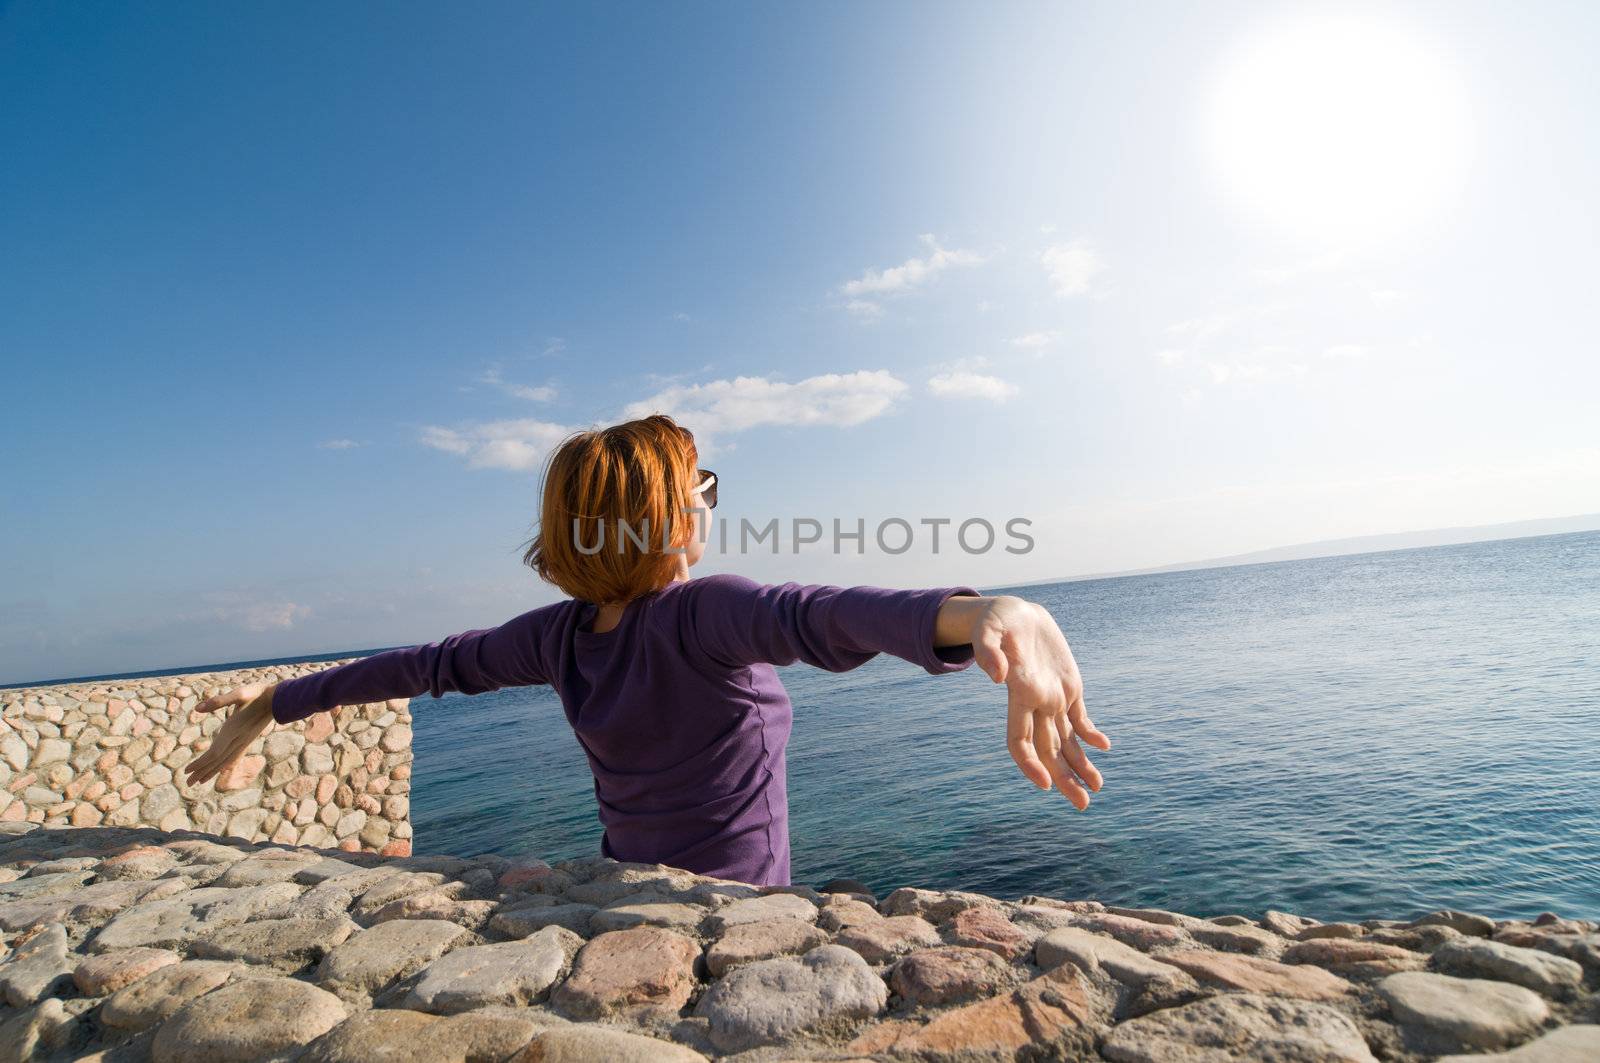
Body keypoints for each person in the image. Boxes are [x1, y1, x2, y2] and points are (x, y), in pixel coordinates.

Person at [185, 415, 1109, 886]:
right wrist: (993, 609)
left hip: (616, 899)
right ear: (664, 513)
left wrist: (278, 701)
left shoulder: (555, 637)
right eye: (698, 483)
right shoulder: (703, 613)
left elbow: (423, 665)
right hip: (737, 919)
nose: (710, 498)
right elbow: (821, 613)